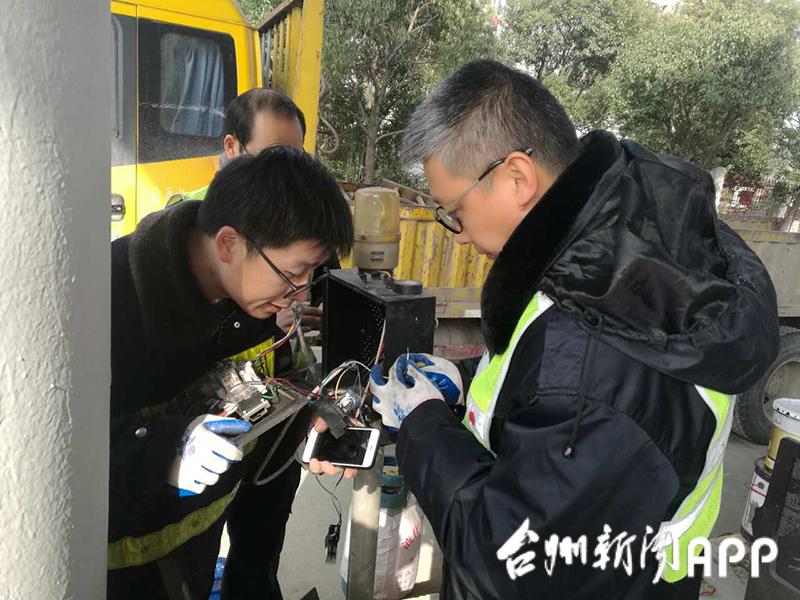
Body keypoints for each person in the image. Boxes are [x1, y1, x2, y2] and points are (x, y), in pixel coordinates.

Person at [368, 59, 780, 599]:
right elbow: (541, 381)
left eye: (455, 212)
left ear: (517, 178)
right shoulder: (609, 252)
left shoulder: (595, 356)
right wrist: (463, 381)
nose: (460, 235)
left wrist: (421, 425)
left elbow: (508, 561)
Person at [108, 147, 354, 599]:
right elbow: (54, 454)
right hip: (118, 570)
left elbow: (269, 389)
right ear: (228, 244)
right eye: (295, 273)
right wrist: (167, 451)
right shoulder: (106, 302)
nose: (300, 295)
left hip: (197, 543)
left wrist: (311, 418)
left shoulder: (254, 298)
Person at [167, 88, 333, 332]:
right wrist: (265, 328)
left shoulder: (304, 219)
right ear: (232, 147)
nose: (287, 175)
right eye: (271, 158)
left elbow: (325, 284)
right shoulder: (191, 228)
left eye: (295, 158)